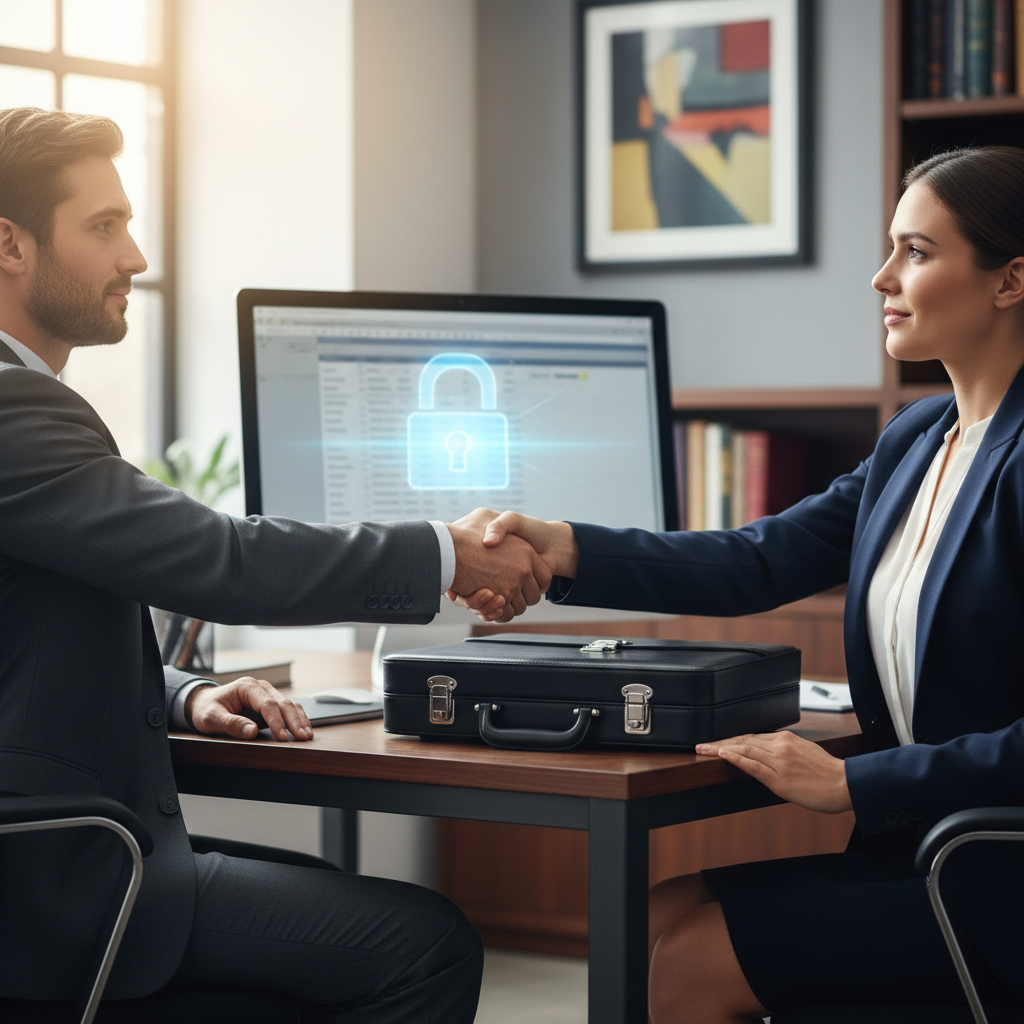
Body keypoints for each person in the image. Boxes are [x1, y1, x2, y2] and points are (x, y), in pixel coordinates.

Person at [0, 106, 552, 1019]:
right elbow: (218, 559)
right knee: (423, 946)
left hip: (63, 852)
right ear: (9, 245)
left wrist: (184, 693)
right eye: (104, 227)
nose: (135, 258)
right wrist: (440, 554)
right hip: (54, 887)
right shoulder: (17, 413)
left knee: (325, 904)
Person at [455, 146, 1024, 1022]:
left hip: (993, 867)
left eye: (916, 252)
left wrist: (855, 784)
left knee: (691, 963)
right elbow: (757, 558)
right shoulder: (919, 437)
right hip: (922, 845)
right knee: (655, 913)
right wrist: (559, 544)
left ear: (1009, 280)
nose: (881, 277)